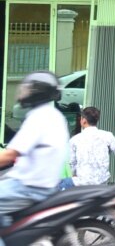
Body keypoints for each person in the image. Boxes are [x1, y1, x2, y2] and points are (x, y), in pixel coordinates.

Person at [0, 71, 69, 230]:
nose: (23, 92)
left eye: (27, 89)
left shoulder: (39, 117)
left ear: (37, 92)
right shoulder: (55, 116)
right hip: (42, 185)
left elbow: (10, 154)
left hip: (28, 187)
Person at [58, 106, 115, 190]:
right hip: (102, 184)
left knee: (58, 185)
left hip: (82, 184)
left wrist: (74, 176)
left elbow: (72, 164)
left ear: (83, 120)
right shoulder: (107, 136)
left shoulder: (74, 140)